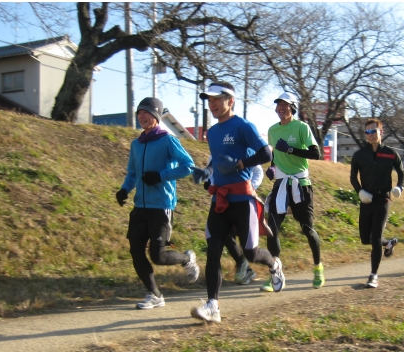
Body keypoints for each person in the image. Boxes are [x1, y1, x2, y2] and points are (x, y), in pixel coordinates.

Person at [191, 81, 285, 324]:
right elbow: (216, 160)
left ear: (230, 101)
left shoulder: (242, 126)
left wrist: (241, 164)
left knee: (251, 253)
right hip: (220, 199)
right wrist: (206, 171)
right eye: (209, 100)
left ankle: (274, 263)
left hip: (242, 199)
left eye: (216, 99)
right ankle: (213, 305)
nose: (211, 104)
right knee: (213, 251)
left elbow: (266, 154)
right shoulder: (212, 132)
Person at [115, 97, 199, 309]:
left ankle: (186, 259)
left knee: (158, 255)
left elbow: (188, 166)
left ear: (156, 116)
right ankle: (154, 295)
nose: (141, 116)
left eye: (146, 112)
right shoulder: (136, 144)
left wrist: (161, 175)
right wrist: (125, 189)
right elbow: (132, 173)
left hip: (161, 206)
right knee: (135, 250)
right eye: (139, 113)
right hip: (140, 206)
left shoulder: (168, 140)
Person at [262, 92, 324, 291]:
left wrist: (290, 150)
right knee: (271, 229)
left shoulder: (301, 127)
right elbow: (275, 155)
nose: (281, 108)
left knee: (307, 228)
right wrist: (272, 167)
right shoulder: (272, 130)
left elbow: (316, 153)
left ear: (293, 108)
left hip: (300, 183)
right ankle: (275, 273)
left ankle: (318, 268)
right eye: (278, 105)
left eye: (285, 105)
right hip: (281, 184)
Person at [350, 118, 404, 288]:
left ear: (381, 132)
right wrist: (360, 191)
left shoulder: (390, 153)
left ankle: (373, 275)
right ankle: (388, 243)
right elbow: (353, 177)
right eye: (367, 132)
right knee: (365, 238)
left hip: (383, 199)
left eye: (373, 131)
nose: (370, 135)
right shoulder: (359, 154)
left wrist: (399, 187)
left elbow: (401, 173)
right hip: (366, 199)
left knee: (375, 238)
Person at [194, 158, 264, 284]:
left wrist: (249, 188)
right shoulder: (216, 147)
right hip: (222, 199)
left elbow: (258, 171)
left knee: (247, 246)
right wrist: (209, 182)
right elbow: (214, 171)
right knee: (221, 234)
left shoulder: (241, 145)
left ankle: (269, 265)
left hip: (242, 200)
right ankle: (242, 266)